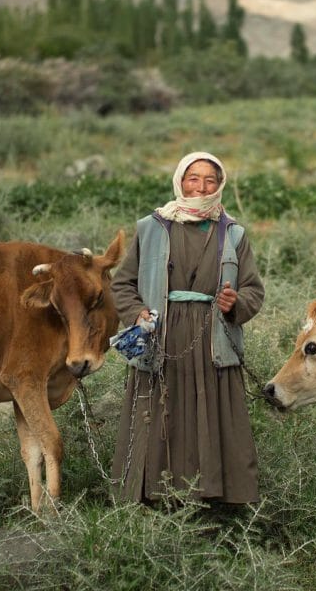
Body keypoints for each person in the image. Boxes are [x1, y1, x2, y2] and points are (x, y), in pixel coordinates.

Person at [110, 151, 265, 505]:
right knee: (160, 412)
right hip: (161, 338)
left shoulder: (234, 234)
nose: (201, 186)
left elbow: (254, 290)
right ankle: (151, 495)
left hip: (212, 340)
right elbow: (122, 285)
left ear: (220, 184)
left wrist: (235, 304)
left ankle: (215, 496)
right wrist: (135, 314)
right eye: (193, 178)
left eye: (210, 179)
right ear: (180, 181)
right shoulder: (150, 228)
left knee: (212, 415)